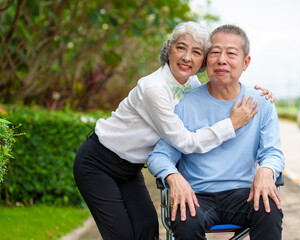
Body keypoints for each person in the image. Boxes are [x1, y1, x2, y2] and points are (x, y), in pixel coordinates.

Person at [73, 22, 275, 240]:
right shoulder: (154, 88)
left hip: (130, 168)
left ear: (202, 60)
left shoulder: (191, 83)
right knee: (122, 235)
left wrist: (260, 95)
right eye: (181, 48)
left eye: (196, 52)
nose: (187, 57)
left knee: (147, 229)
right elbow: (186, 142)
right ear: (169, 49)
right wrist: (232, 124)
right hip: (99, 162)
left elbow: (214, 96)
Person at [148, 24, 285, 240]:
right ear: (206, 61)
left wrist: (266, 171)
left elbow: (273, 152)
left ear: (245, 63)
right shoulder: (185, 103)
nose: (222, 60)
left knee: (269, 209)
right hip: (197, 196)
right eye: (215, 52)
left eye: (231, 53)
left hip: (243, 195)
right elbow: (160, 155)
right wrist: (173, 177)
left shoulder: (262, 103)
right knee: (184, 219)